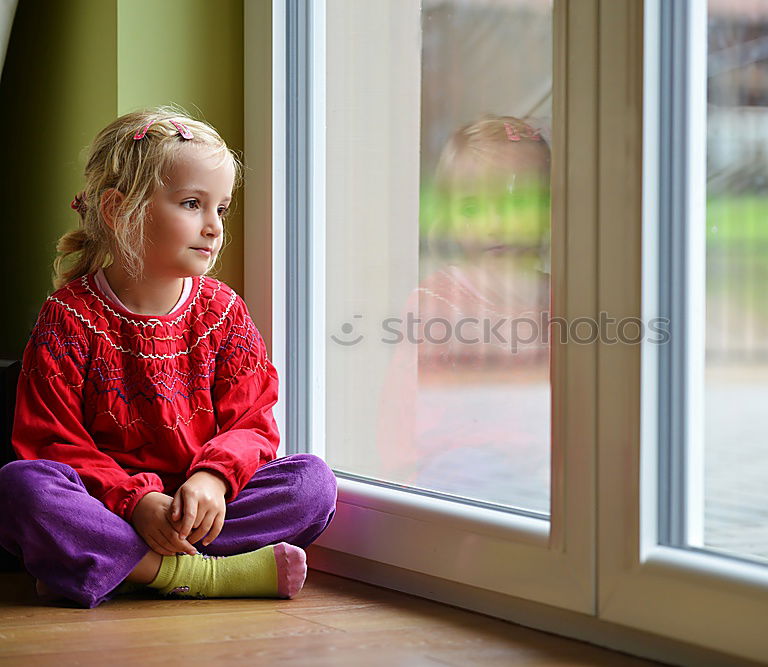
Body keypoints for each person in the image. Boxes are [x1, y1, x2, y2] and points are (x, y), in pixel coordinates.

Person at [0, 107, 337, 608]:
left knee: (312, 483)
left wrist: (213, 479)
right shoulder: (69, 317)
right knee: (22, 486)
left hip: (202, 506)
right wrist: (135, 503)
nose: (212, 226)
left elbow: (253, 421)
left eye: (221, 208)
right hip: (109, 503)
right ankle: (205, 577)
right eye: (191, 203)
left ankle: (116, 567)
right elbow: (51, 439)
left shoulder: (223, 312)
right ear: (119, 211)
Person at [375, 116, 551, 501]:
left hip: (537, 471)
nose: (494, 223)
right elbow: (402, 408)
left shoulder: (557, 298)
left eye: (515, 203)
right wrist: (404, 478)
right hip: (453, 473)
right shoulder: (438, 300)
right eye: (473, 208)